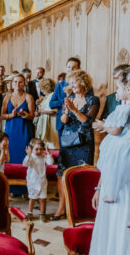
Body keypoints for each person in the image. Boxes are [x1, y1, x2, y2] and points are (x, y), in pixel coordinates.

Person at [90, 66, 130, 254]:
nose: (116, 92)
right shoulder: (121, 110)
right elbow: (111, 161)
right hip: (110, 186)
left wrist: (105, 125)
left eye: (119, 87)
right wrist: (99, 188)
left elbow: (115, 130)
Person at [52, 70, 99, 221]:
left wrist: (73, 109)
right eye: (70, 83)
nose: (71, 85)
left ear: (83, 82)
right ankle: (62, 208)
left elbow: (87, 121)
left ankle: (81, 208)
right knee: (61, 174)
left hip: (83, 142)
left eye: (74, 82)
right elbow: (64, 121)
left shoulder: (94, 100)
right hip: (67, 141)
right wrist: (66, 109)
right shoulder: (69, 98)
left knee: (82, 174)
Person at [1, 74, 35, 195]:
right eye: (15, 82)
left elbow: (32, 115)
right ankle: (11, 188)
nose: (17, 84)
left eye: (20, 82)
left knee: (23, 155)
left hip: (24, 128)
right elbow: (2, 115)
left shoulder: (28, 97)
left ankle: (25, 189)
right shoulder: (7, 97)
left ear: (24, 84)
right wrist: (11, 115)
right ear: (12, 83)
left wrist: (24, 114)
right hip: (10, 129)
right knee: (11, 154)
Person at [49, 57, 82, 143]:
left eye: (74, 67)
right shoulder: (59, 85)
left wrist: (72, 94)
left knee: (74, 150)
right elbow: (51, 104)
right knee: (63, 151)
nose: (70, 69)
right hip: (62, 123)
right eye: (68, 67)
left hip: (76, 123)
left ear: (79, 69)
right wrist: (64, 100)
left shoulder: (83, 85)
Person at [23, 138, 54, 222]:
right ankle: (30, 212)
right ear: (31, 149)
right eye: (36, 149)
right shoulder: (31, 157)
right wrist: (28, 155)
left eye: (41, 149)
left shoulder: (43, 156)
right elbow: (25, 164)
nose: (39, 151)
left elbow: (50, 163)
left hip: (42, 181)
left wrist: (48, 153)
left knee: (42, 199)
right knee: (32, 198)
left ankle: (42, 214)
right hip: (32, 182)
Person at [34, 78, 59, 149]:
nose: (41, 90)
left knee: (51, 143)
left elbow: (51, 110)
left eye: (42, 88)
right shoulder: (47, 96)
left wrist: (39, 111)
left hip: (51, 123)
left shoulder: (52, 95)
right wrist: (39, 104)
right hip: (45, 122)